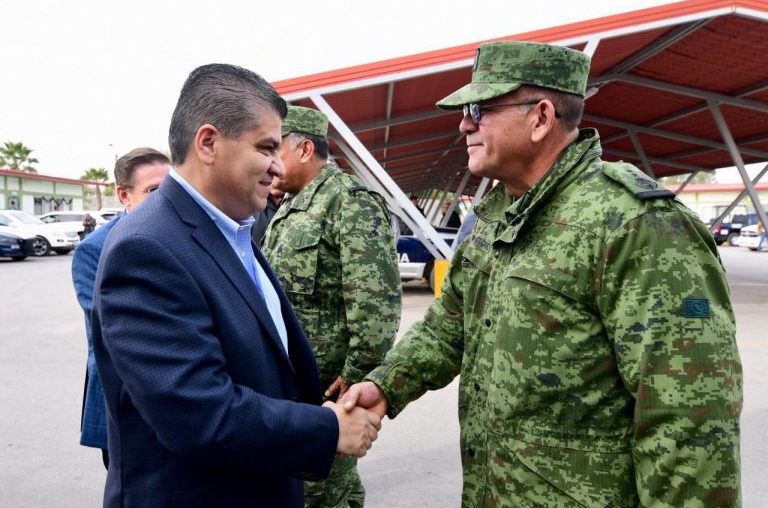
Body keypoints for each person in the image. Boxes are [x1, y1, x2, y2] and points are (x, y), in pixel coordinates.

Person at [342, 41, 742, 507]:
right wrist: (387, 383)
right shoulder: (494, 218)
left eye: (479, 108)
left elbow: (689, 417)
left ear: (541, 117)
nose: (464, 123)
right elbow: (449, 325)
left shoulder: (633, 222)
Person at [91, 64, 380, 508]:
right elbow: (197, 413)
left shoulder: (231, 232)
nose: (279, 165)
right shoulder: (146, 249)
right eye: (266, 147)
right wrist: (328, 429)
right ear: (208, 143)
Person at [262, 106, 401, 508]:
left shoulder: (349, 202)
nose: (270, 162)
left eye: (276, 149)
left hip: (327, 393)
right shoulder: (289, 207)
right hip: (289, 392)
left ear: (305, 149)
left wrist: (355, 380)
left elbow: (376, 306)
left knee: (326, 493)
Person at [71, 147, 170, 469]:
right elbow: (118, 327)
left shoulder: (178, 234)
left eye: (172, 189)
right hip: (127, 393)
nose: (165, 199)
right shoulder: (94, 250)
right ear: (123, 195)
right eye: (154, 190)